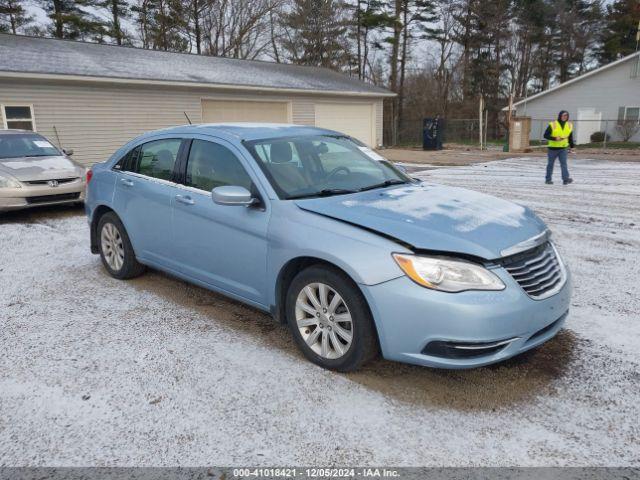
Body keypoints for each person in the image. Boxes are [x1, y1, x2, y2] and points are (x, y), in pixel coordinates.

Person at [544, 110, 574, 185]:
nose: (565, 117)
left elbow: (570, 136)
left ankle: (565, 179)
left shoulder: (569, 125)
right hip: (552, 149)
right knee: (550, 164)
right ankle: (548, 179)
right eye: (563, 115)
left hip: (563, 148)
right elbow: (545, 135)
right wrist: (554, 138)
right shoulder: (553, 124)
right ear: (560, 116)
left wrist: (572, 146)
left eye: (566, 115)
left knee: (564, 164)